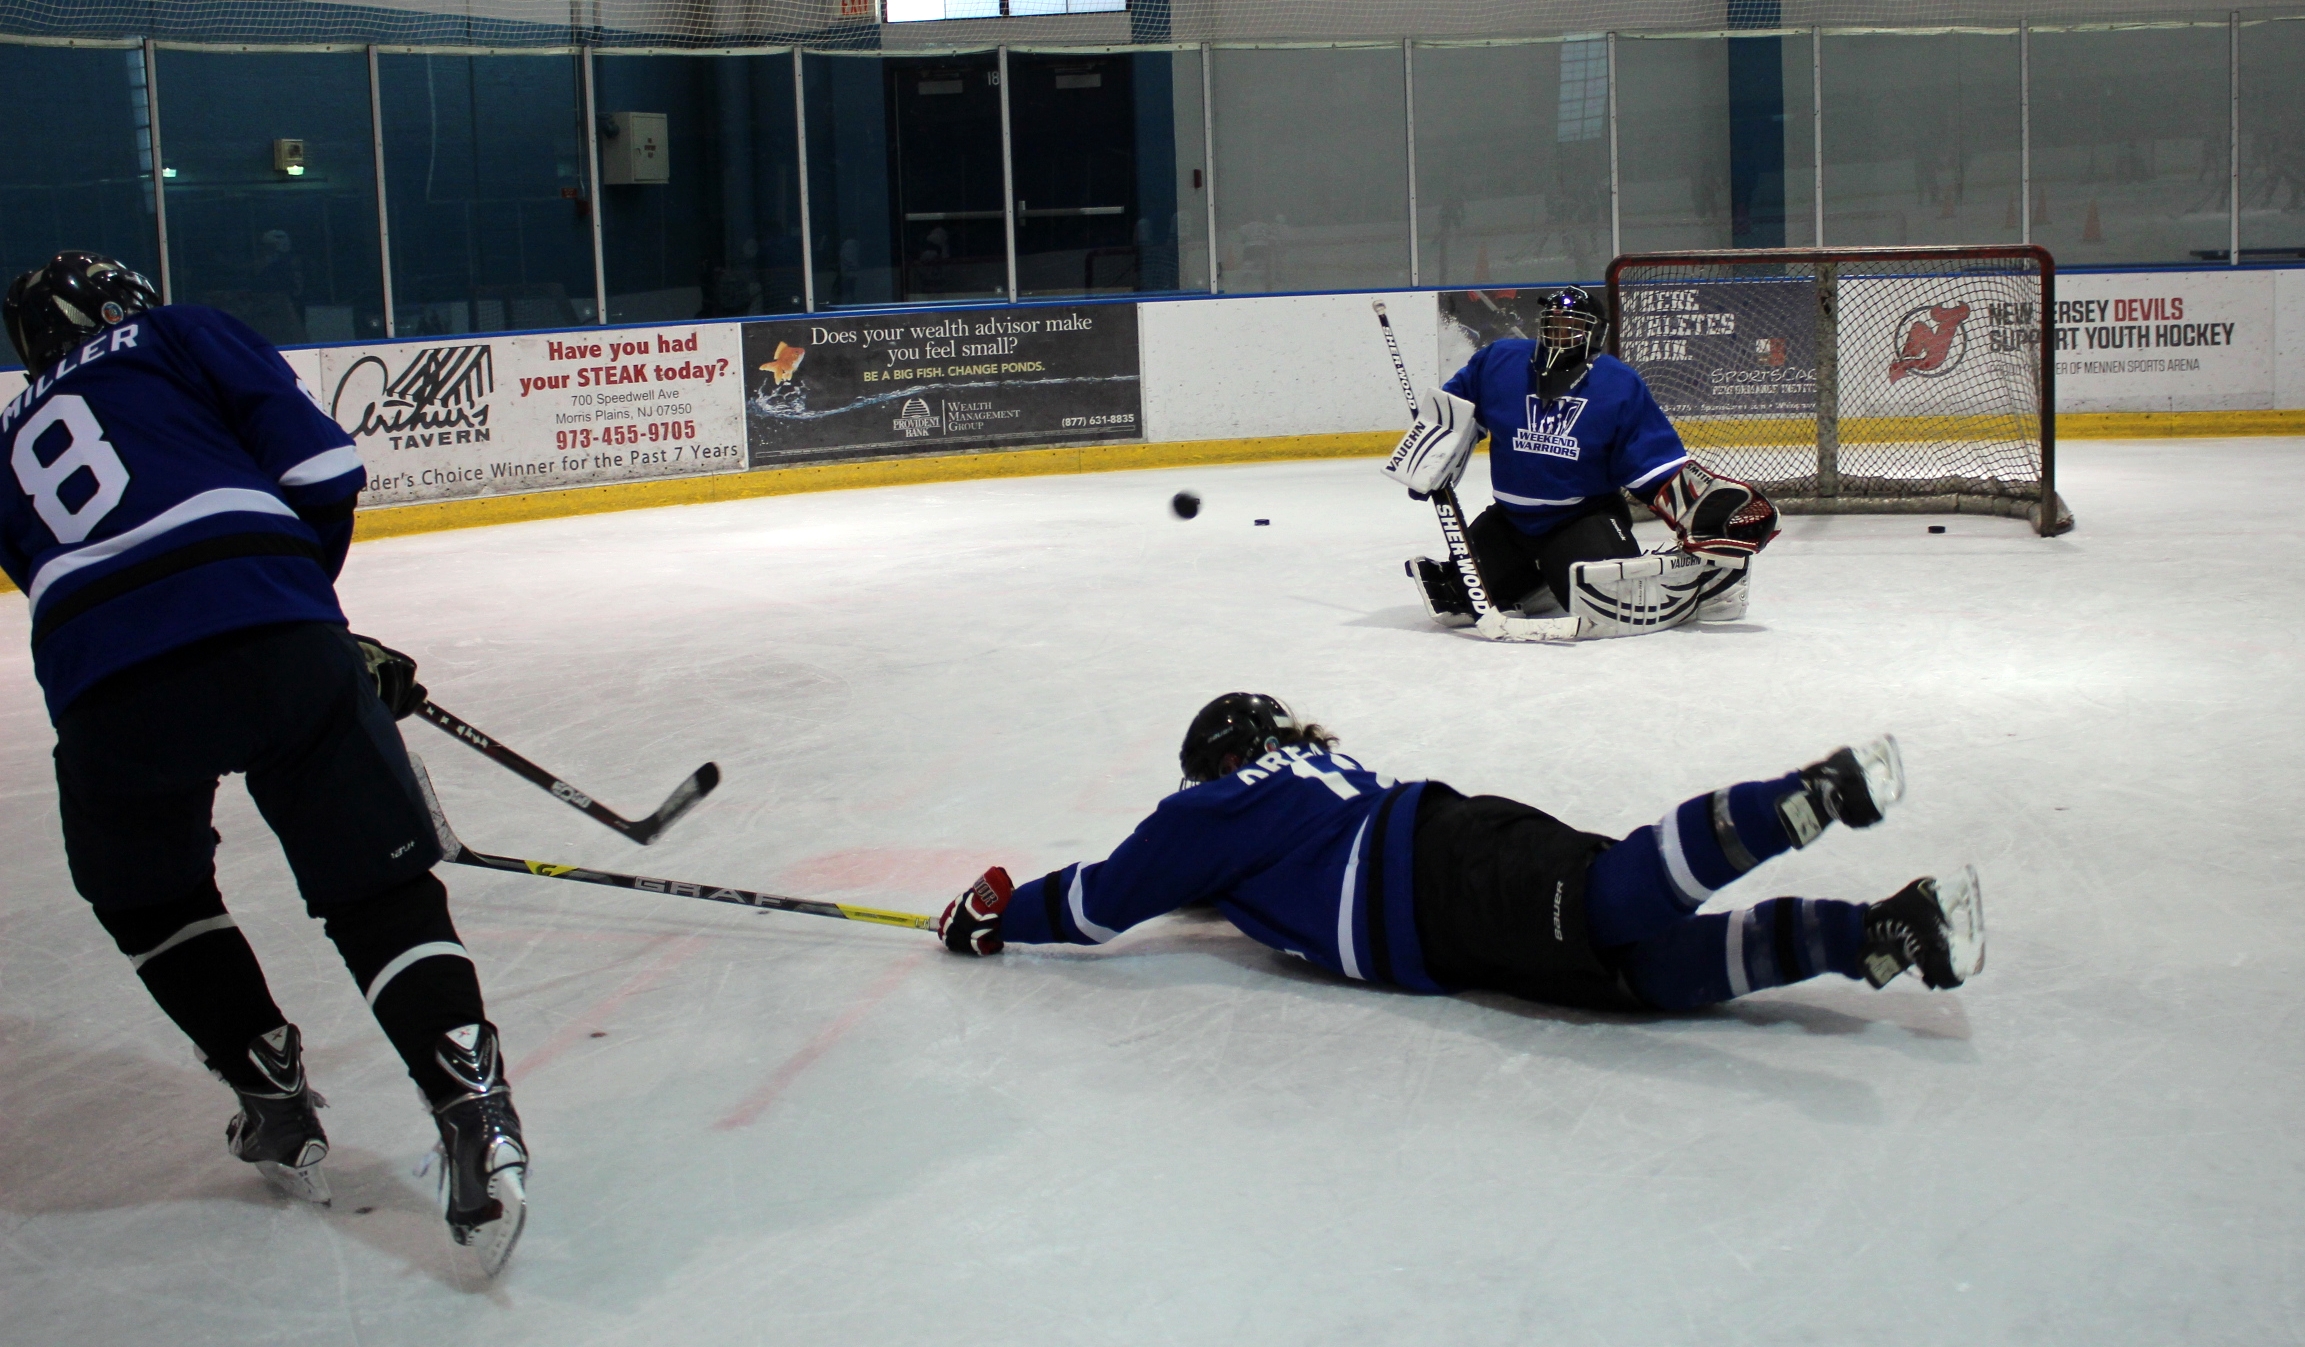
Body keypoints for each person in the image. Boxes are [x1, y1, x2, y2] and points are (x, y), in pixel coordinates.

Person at [0, 252, 527, 1276]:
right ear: (118, 305)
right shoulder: (178, 332)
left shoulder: (8, 430)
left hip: (106, 690)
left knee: (146, 896)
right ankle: (472, 1108)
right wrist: (306, 618)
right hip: (271, 640)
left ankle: (271, 1095)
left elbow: (60, 576)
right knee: (376, 892)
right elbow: (323, 472)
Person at [936, 693, 1983, 1013]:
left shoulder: (1208, 812)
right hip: (1443, 881)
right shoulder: (1304, 781)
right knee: (1637, 975)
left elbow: (1101, 903)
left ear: (1213, 763)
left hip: (1434, 879)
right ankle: (1883, 933)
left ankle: (1800, 800)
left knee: (1607, 910)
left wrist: (994, 911)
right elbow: (1213, 897)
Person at [1392, 285, 1780, 640]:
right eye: (1553, 325)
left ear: (1594, 335)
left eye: (1572, 327)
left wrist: (1703, 506)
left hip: (1581, 518)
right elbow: (1453, 415)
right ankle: (1540, 578)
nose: (1560, 335)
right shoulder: (1499, 362)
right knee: (1460, 599)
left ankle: (1711, 578)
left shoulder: (1617, 384)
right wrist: (1429, 452)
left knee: (1609, 600)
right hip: (1511, 521)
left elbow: (1653, 466)